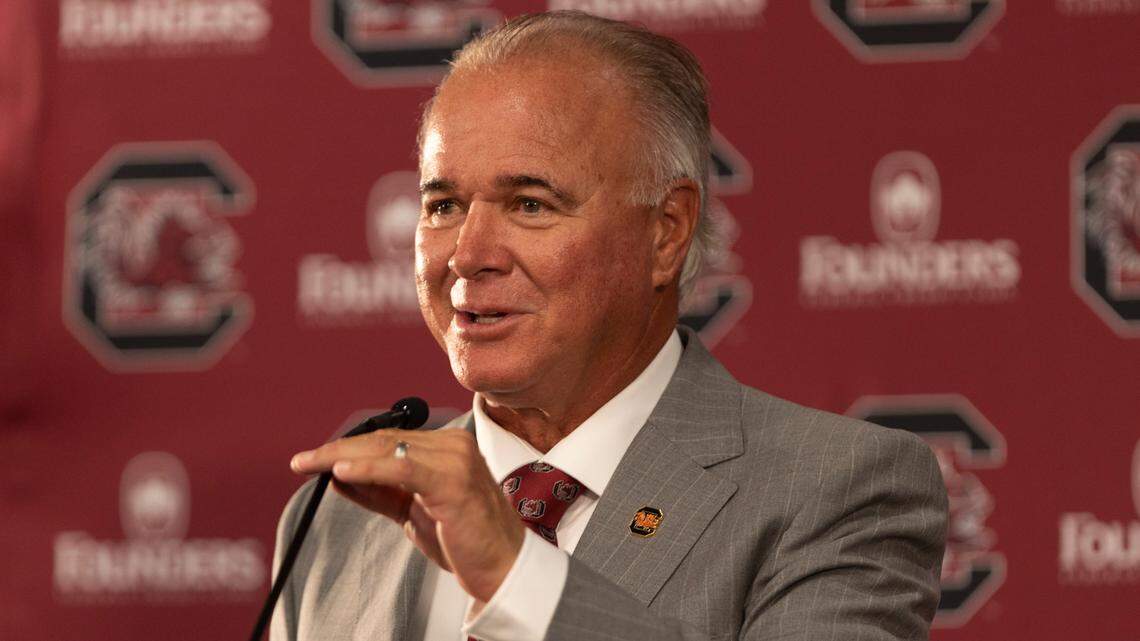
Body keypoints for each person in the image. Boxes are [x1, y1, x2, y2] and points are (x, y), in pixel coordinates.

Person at [275, 10, 947, 641]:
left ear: (666, 231)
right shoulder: (336, 517)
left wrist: (516, 574)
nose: (468, 255)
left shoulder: (839, 489)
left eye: (530, 204)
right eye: (444, 204)